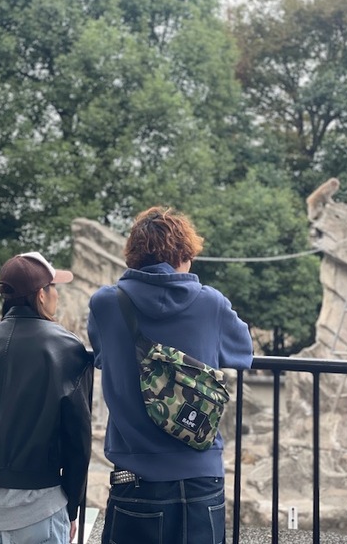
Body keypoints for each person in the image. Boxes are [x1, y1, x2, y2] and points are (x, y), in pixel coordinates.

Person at [87, 206, 253, 544]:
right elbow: (243, 352)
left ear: (134, 256)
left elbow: (102, 358)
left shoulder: (106, 304)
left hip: (134, 478)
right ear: (184, 254)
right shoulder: (212, 303)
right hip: (201, 477)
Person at [0, 252, 93, 544]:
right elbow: (78, 438)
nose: (57, 295)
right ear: (41, 295)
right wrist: (72, 505)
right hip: (38, 506)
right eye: (53, 287)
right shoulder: (67, 350)